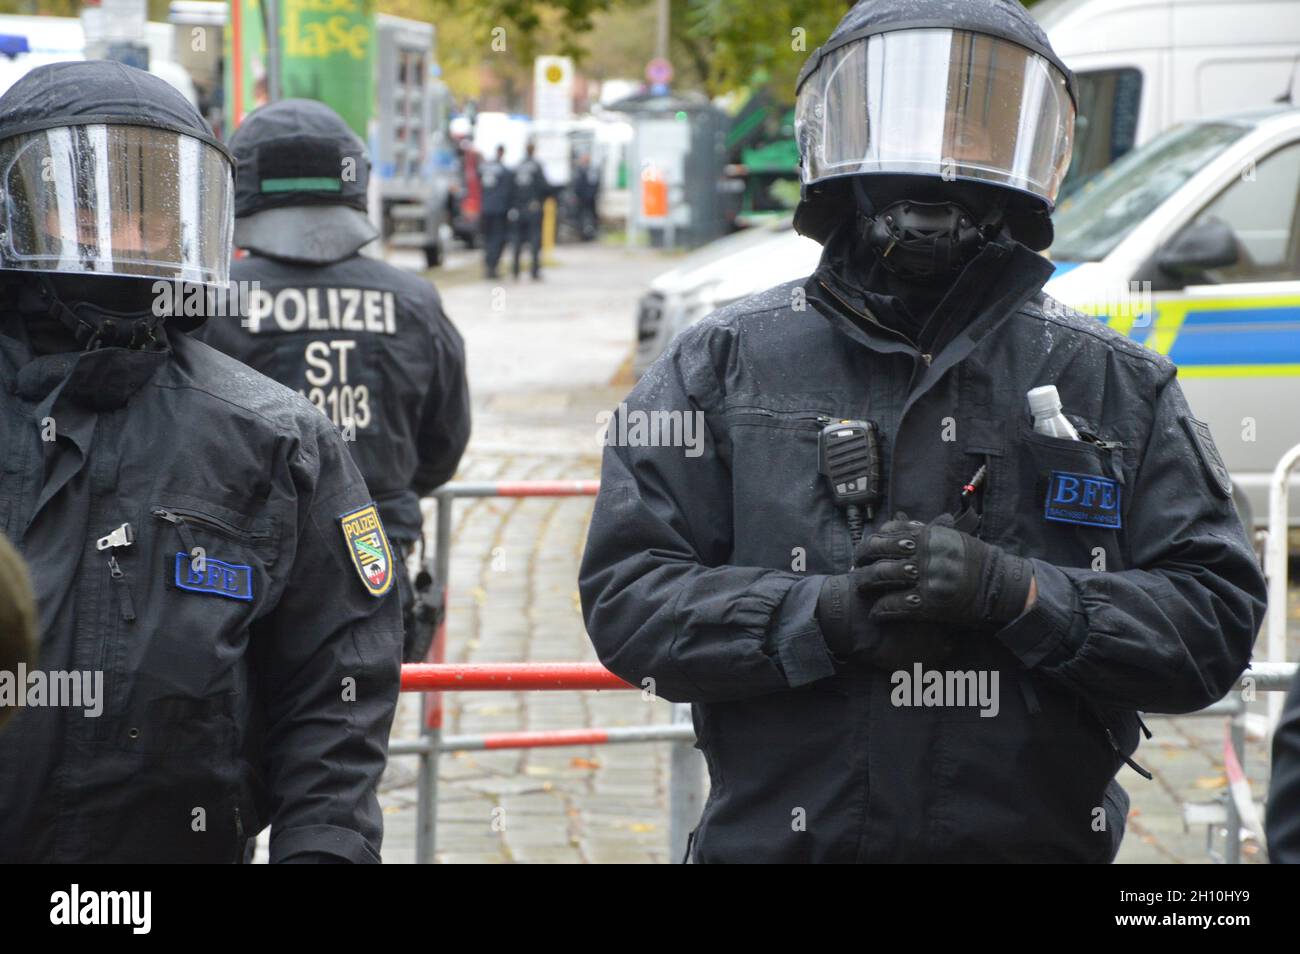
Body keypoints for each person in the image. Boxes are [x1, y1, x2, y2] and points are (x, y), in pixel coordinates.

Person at [578, 0, 1268, 863]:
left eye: (972, 122)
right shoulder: (719, 364)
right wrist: (817, 616)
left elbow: (1213, 624)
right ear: (836, 138)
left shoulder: (1114, 383)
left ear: (1030, 148)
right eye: (898, 114)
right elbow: (628, 602)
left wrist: (1020, 596)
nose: (936, 156)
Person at [0, 62, 403, 863]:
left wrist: (322, 851)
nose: (121, 234)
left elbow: (336, 695)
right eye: (86, 203)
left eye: (148, 211)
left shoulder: (276, 439)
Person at [198, 99, 471, 665]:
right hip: (371, 561)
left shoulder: (208, 300)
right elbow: (444, 447)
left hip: (231, 572)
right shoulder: (414, 299)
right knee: (351, 734)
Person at [511, 141, 550, 281]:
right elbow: (545, 187)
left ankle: (515, 270)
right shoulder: (537, 166)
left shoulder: (517, 166)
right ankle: (534, 271)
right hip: (533, 208)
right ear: (534, 150)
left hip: (517, 209)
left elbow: (511, 188)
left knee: (517, 241)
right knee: (534, 241)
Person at [479, 145, 514, 279]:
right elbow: (509, 191)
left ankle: (488, 265)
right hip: (499, 210)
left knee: (487, 239)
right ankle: (492, 267)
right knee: (497, 239)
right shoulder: (505, 171)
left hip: (485, 209)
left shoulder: (485, 169)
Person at [573, 153, 601, 242]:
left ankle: (590, 234)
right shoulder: (580, 170)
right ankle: (582, 233)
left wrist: (590, 195)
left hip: (589, 198)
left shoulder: (591, 170)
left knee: (590, 216)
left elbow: (594, 184)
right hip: (581, 198)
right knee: (581, 216)